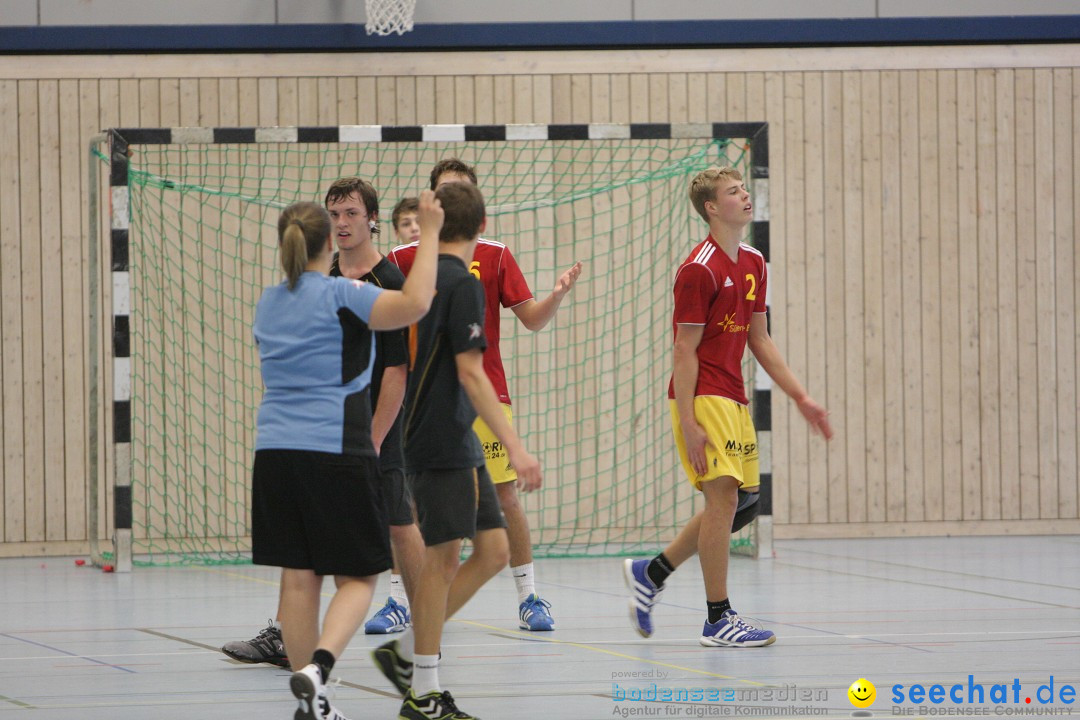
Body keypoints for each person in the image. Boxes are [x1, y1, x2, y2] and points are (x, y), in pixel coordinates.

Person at [623, 166, 832, 648]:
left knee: (742, 507)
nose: (744, 196)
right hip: (704, 395)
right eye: (732, 192)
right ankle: (718, 619)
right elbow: (683, 350)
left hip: (734, 393)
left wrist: (801, 396)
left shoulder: (756, 262)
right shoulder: (699, 269)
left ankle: (650, 573)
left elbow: (759, 338)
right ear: (712, 208)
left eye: (744, 189)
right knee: (722, 499)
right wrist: (689, 420)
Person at [250, 194, 440, 720]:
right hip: (334, 445)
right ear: (328, 239)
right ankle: (319, 669)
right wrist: (427, 236)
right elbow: (416, 304)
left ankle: (312, 698)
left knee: (297, 575)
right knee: (358, 578)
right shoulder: (343, 294)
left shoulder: (268, 300)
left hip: (273, 454)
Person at [387, 158, 582, 632]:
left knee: (501, 505)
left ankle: (527, 595)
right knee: (415, 515)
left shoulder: (492, 257)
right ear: (430, 203)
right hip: (429, 409)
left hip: (480, 400)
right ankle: (403, 610)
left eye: (462, 193)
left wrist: (554, 296)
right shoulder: (401, 260)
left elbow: (530, 319)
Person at [373, 181, 542, 720]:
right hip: (437, 434)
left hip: (455, 434)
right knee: (444, 561)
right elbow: (471, 372)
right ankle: (422, 689)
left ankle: (407, 651)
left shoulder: (418, 279)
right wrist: (516, 448)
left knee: (492, 549)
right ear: (483, 227)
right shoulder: (458, 283)